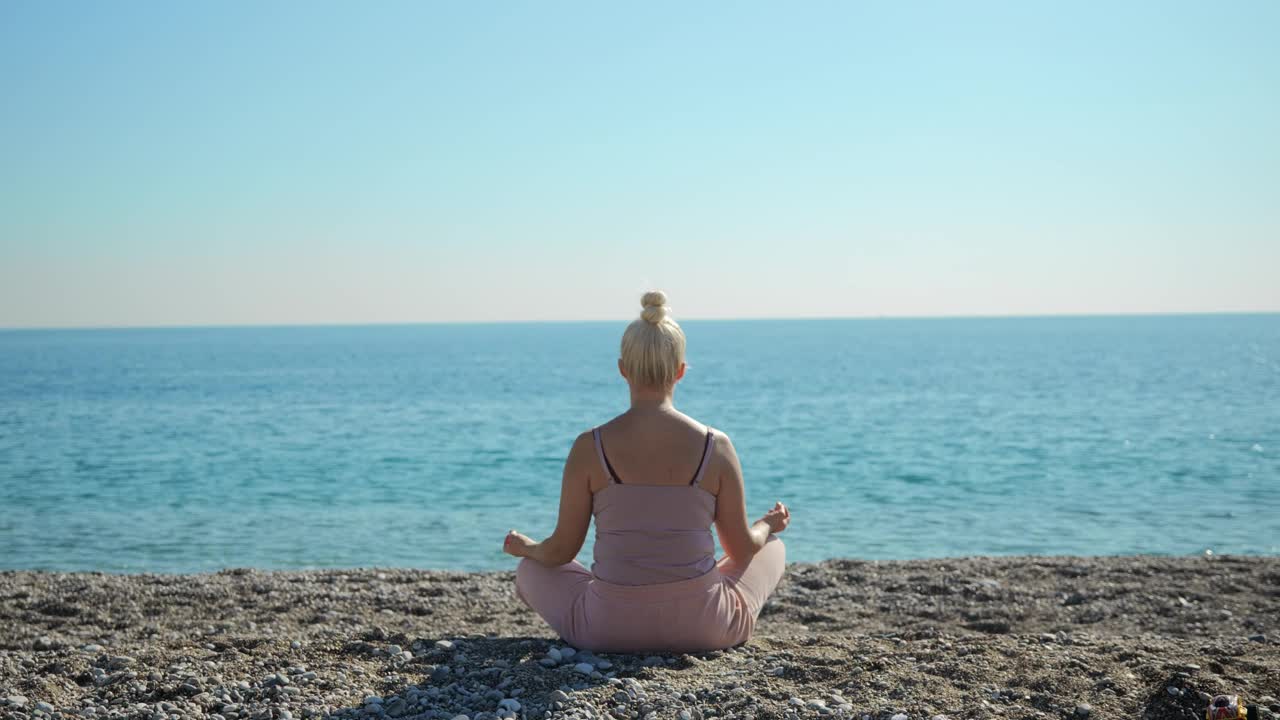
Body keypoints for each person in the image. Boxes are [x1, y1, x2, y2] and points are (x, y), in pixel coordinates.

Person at [502, 290, 790, 652]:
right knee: (772, 549)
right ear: (681, 371)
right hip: (704, 627)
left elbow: (561, 551)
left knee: (531, 569)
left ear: (622, 369)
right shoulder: (716, 446)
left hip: (607, 629)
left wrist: (528, 547)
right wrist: (768, 525)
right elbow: (741, 548)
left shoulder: (590, 447)